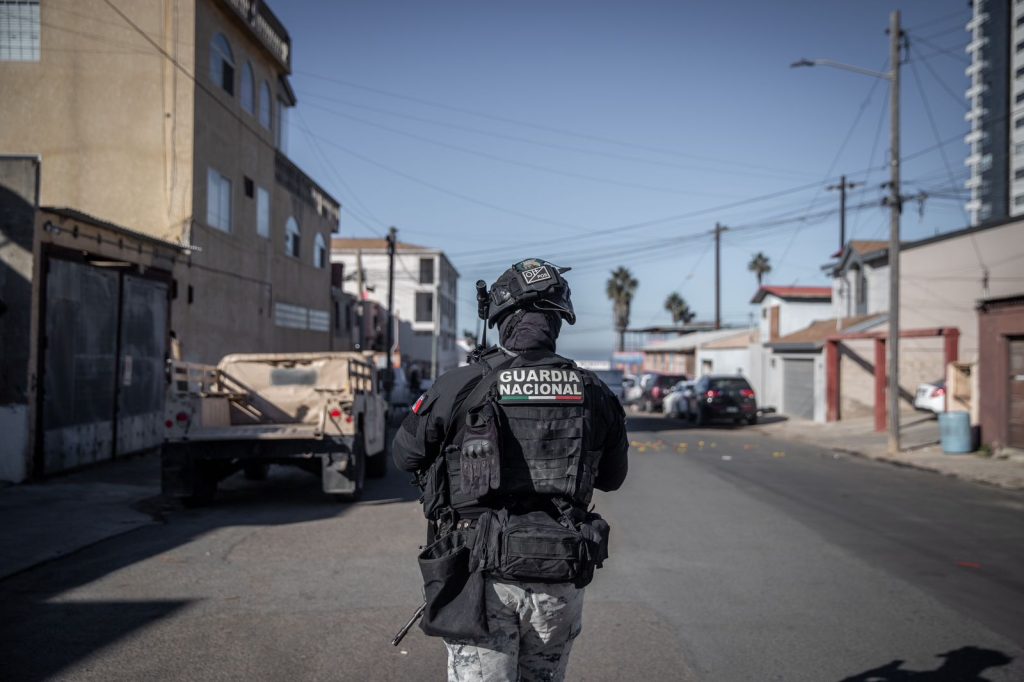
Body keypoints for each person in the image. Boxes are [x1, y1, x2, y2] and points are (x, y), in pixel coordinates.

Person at [393, 258, 628, 682]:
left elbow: (405, 456)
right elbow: (613, 478)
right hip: (558, 575)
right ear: (557, 322)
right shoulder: (594, 391)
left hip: (479, 581)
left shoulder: (460, 384)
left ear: (502, 319)